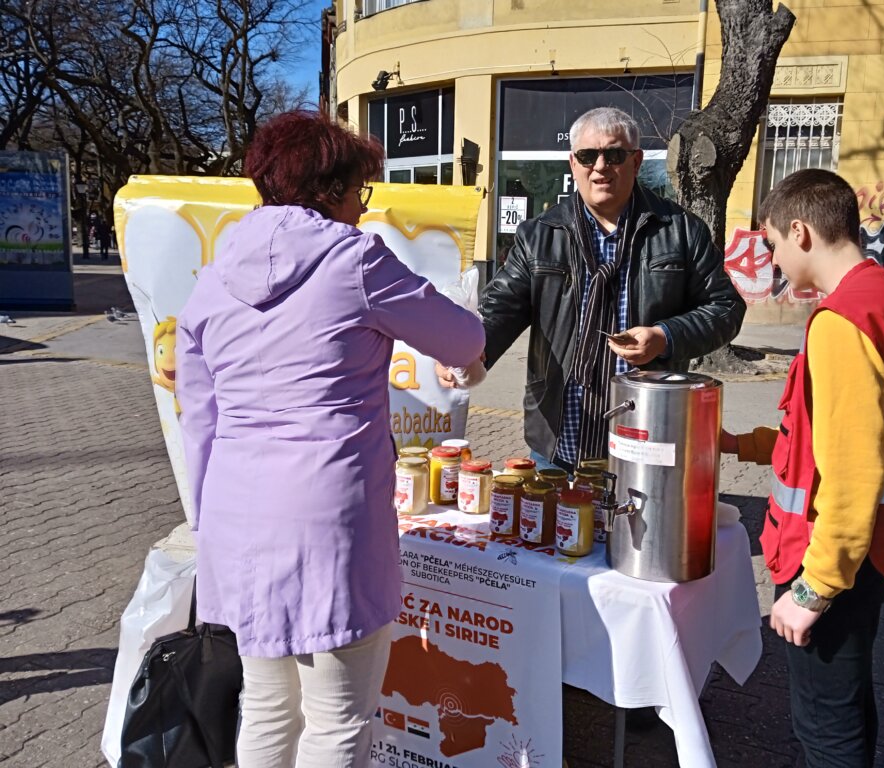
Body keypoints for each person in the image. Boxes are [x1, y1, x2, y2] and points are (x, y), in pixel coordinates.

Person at [176, 110, 485, 768]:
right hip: (328, 517)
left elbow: (198, 420)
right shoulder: (356, 260)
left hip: (236, 517)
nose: (359, 205)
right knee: (339, 718)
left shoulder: (210, 277)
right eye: (358, 190)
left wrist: (208, 525)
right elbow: (463, 340)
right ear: (331, 189)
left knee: (265, 707)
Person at [722, 169, 884, 766]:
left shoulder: (840, 322)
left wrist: (813, 590)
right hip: (873, 554)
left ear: (801, 232)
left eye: (775, 243)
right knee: (847, 703)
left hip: (832, 557)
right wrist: (736, 443)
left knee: (825, 726)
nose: (776, 260)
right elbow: (825, 439)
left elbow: (853, 471)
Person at [439, 106, 745, 471]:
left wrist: (665, 336)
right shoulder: (540, 235)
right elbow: (500, 307)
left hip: (646, 439)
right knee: (556, 528)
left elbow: (725, 308)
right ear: (573, 163)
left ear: (635, 161)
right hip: (558, 441)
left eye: (614, 154)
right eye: (588, 155)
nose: (600, 166)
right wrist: (463, 348)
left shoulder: (680, 230)